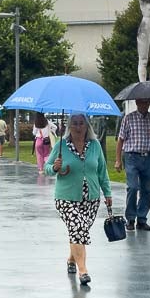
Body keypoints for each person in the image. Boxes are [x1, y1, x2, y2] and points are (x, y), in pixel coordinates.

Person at [47, 114, 114, 287]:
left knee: (78, 232)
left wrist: (107, 193)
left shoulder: (95, 145)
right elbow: (47, 168)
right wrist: (54, 167)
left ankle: (71, 258)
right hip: (66, 198)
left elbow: (102, 171)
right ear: (70, 126)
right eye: (75, 123)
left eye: (81, 123)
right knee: (77, 228)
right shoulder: (62, 145)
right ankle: (83, 270)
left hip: (91, 198)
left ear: (87, 126)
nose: (78, 127)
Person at [115, 97, 150, 231]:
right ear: (136, 103)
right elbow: (120, 140)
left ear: (149, 103)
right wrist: (118, 160)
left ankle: (142, 219)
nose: (144, 104)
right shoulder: (128, 118)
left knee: (146, 190)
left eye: (147, 102)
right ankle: (130, 218)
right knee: (132, 187)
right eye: (142, 102)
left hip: (147, 157)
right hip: (131, 156)